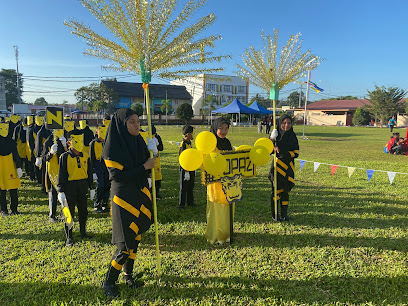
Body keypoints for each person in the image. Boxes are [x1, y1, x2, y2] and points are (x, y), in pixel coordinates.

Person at [101, 109, 157, 298]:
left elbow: (147, 168)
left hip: (139, 192)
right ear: (121, 124)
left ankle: (128, 274)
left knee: (137, 237)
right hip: (123, 197)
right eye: (132, 122)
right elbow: (117, 176)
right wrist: (144, 166)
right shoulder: (112, 147)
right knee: (125, 244)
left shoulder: (139, 141)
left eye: (138, 121)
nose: (137, 125)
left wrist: (153, 153)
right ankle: (108, 282)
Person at [57, 130, 95, 246]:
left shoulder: (86, 156)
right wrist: (61, 191)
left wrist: (92, 187)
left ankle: (83, 232)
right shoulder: (64, 157)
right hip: (70, 187)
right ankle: (69, 236)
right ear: (69, 143)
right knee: (69, 212)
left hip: (82, 186)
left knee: (83, 211)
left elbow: (88, 172)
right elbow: (61, 175)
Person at [205, 117, 234, 245]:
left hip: (228, 182)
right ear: (215, 128)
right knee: (216, 208)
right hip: (215, 183)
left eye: (226, 128)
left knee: (227, 208)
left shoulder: (227, 143)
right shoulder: (211, 144)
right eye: (220, 128)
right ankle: (216, 235)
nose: (223, 131)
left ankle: (226, 233)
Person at [269, 114, 299, 221]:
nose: (287, 125)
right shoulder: (276, 136)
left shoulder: (293, 136)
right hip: (277, 167)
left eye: (289, 123)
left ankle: (284, 215)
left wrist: (284, 153)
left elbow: (296, 153)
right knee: (276, 192)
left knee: (285, 192)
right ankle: (275, 215)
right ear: (280, 123)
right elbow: (268, 151)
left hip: (289, 167)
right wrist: (271, 139)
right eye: (284, 123)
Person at [42, 129, 67, 222]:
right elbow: (44, 158)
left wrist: (65, 145)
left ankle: (64, 214)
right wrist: (50, 153)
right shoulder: (48, 141)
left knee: (65, 193)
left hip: (64, 170)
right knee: (52, 192)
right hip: (52, 171)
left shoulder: (66, 139)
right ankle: (52, 215)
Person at [0, 123, 23, 216]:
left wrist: (18, 167)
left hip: (11, 167)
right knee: (2, 191)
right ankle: (3, 210)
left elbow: (16, 154)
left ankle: (14, 209)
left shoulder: (11, 141)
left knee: (13, 189)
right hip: (1, 169)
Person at [89, 125, 110, 213]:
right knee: (100, 184)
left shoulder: (107, 142)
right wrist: (93, 170)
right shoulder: (93, 143)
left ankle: (105, 204)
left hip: (107, 165)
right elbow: (91, 158)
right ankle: (97, 204)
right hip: (98, 165)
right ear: (97, 132)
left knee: (107, 184)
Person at [178, 125, 196, 209]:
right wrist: (185, 170)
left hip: (191, 167)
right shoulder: (183, 144)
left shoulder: (189, 143)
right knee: (184, 187)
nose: (193, 135)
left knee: (190, 186)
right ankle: (181, 204)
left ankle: (190, 202)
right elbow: (182, 157)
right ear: (188, 134)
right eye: (192, 133)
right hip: (185, 169)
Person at [150, 125, 164, 198]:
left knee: (157, 178)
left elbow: (161, 148)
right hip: (150, 160)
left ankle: (156, 193)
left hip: (156, 160)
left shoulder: (157, 138)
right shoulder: (145, 138)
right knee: (151, 178)